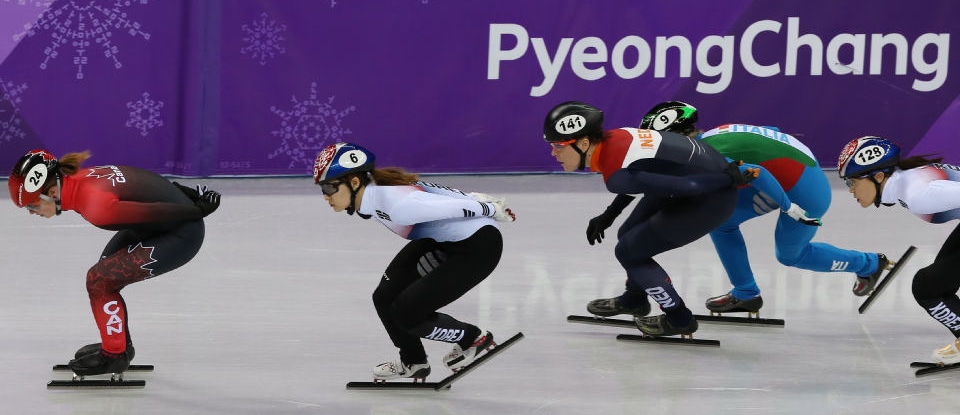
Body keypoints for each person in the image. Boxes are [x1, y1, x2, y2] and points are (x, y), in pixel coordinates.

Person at [637, 102, 885, 314]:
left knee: (791, 255)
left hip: (804, 189)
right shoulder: (711, 136)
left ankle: (869, 264)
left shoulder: (706, 156)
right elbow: (770, 132)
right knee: (722, 222)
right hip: (792, 174)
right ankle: (746, 293)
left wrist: (789, 207)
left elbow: (757, 172)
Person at [544, 101, 758, 337]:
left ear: (584, 143)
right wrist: (609, 215)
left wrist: (730, 180)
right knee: (627, 235)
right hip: (701, 177)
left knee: (629, 251)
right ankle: (634, 299)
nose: (553, 152)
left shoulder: (616, 174)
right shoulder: (618, 135)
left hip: (709, 196)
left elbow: (688, 185)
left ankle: (679, 318)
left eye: (557, 145)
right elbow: (639, 175)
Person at [313, 142, 515, 381]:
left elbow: (449, 205)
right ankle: (414, 362)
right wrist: (472, 197)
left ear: (354, 182)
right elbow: (430, 191)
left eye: (329, 187)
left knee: (406, 313)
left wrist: (488, 208)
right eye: (321, 189)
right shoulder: (377, 193)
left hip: (477, 248)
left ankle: (473, 338)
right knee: (384, 297)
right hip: (443, 241)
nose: (325, 196)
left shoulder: (398, 206)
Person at [7, 150, 220, 375]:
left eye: (32, 205)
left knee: (100, 280)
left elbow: (156, 210)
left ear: (51, 192)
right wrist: (188, 194)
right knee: (105, 269)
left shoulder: (96, 206)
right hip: (162, 224)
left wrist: (198, 209)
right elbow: (144, 182)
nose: (32, 213)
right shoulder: (82, 178)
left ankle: (114, 356)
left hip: (181, 235)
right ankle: (118, 344)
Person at [838, 136, 960, 364]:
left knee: (926, 286)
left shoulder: (918, 195)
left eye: (852, 182)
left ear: (879, 176)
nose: (851, 190)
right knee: (934, 286)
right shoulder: (909, 182)